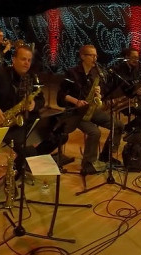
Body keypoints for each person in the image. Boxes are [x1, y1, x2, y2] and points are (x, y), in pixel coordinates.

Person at [41, 44, 111, 174]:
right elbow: (61, 95)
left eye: (96, 55)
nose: (95, 58)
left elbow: (104, 90)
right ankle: (88, 164)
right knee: (95, 132)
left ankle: (106, 157)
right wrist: (76, 101)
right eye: (92, 55)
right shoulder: (71, 73)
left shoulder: (96, 73)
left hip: (90, 109)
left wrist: (99, 92)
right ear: (83, 56)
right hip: (76, 112)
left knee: (116, 124)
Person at [0, 43, 44, 156]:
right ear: (14, 59)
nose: (27, 63)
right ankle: (22, 166)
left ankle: (24, 163)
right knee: (29, 151)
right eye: (23, 59)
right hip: (3, 124)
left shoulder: (32, 77)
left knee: (53, 138)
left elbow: (41, 100)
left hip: (25, 122)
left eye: (29, 60)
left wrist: (34, 104)